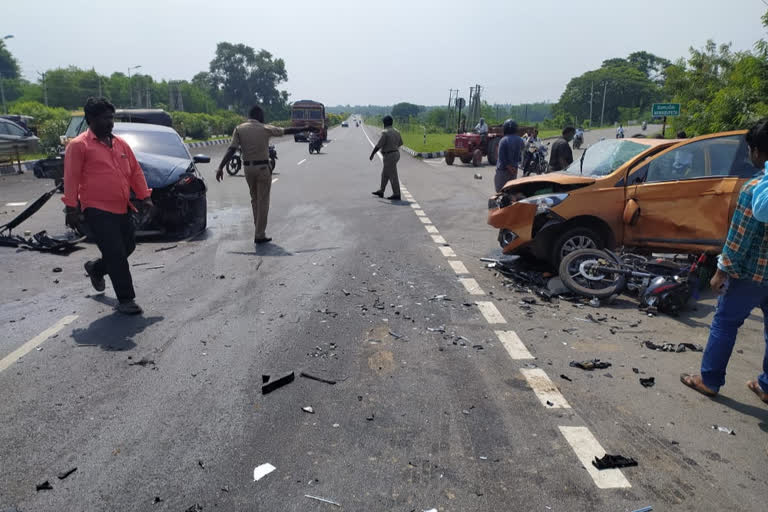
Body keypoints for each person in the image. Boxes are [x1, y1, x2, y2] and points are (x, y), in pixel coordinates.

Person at [680, 119, 768, 406]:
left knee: (724, 324)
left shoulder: (755, 190)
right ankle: (766, 386)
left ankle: (709, 380)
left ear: (757, 151)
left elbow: (738, 239)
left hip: (749, 276)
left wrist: (720, 273)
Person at [63, 97, 151, 315]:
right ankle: (126, 299)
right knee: (116, 253)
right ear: (91, 119)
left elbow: (135, 172)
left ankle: (96, 268)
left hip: (122, 206)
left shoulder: (120, 144)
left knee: (127, 247)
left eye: (111, 118)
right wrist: (72, 208)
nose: (110, 122)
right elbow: (71, 178)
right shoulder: (79, 145)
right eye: (105, 118)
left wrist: (145, 196)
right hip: (96, 209)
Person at [216, 105, 317, 244]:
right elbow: (287, 130)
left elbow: (231, 149)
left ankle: (258, 229)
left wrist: (221, 167)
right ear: (258, 115)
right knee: (263, 201)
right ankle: (259, 234)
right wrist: (306, 128)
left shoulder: (239, 129)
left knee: (254, 199)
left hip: (247, 169)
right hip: (263, 168)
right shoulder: (265, 128)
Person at [370, 115, 403, 201]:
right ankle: (381, 190)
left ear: (385, 123)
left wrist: (372, 154)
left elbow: (378, 145)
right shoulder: (397, 131)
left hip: (389, 156)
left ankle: (397, 194)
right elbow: (400, 143)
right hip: (396, 153)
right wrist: (393, 146)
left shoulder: (385, 132)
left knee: (393, 175)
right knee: (385, 174)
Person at [494, 119, 524, 192]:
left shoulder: (503, 140)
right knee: (511, 191)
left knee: (500, 192)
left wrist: (509, 167)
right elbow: (522, 151)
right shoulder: (520, 140)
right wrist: (513, 168)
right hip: (514, 171)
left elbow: (501, 158)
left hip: (503, 171)